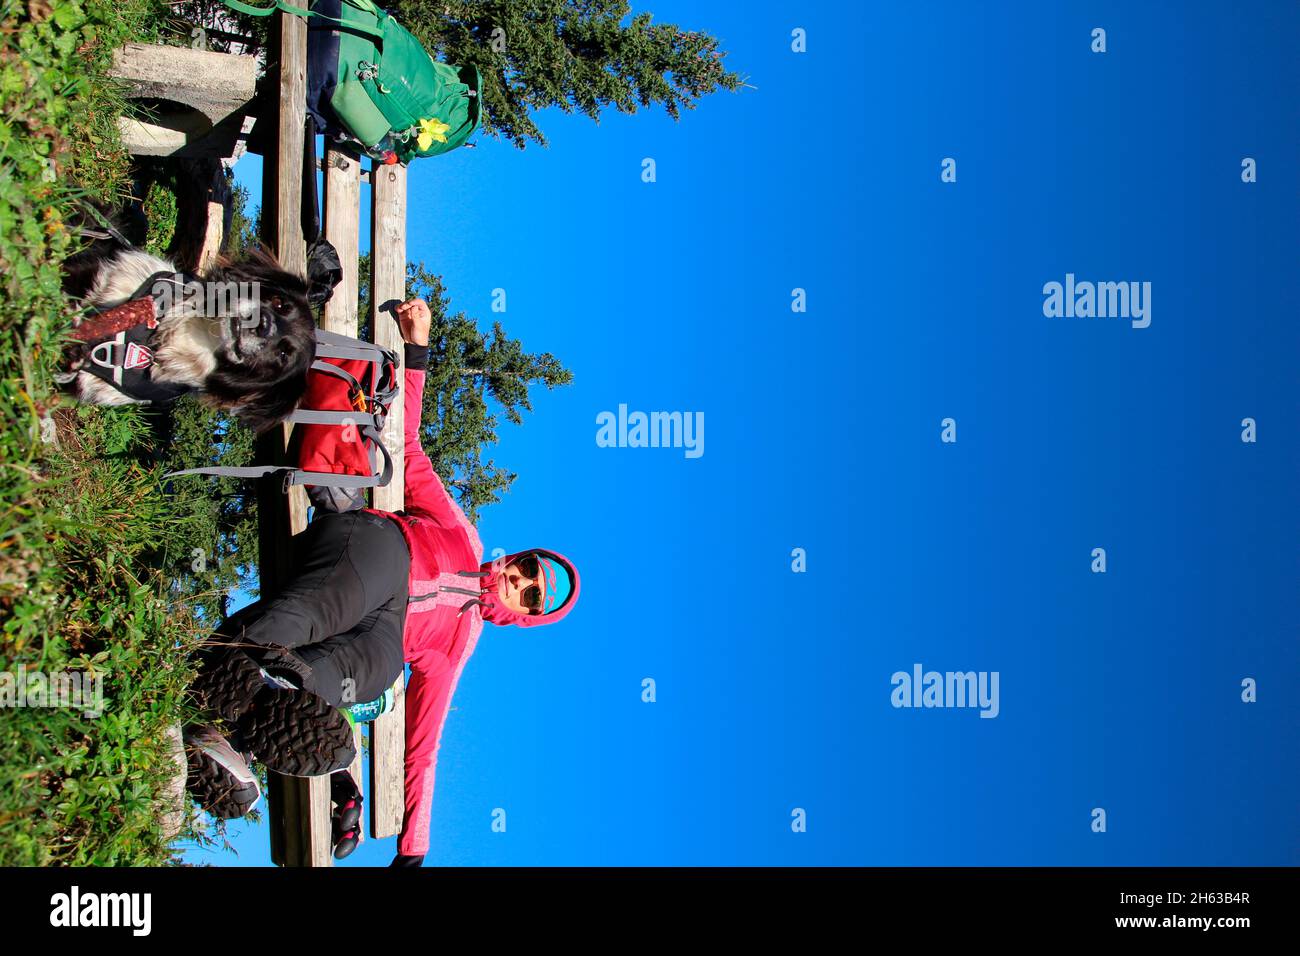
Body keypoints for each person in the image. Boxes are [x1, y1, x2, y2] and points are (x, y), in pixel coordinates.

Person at [184, 298, 580, 866]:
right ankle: (232, 656)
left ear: (526, 613)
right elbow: (410, 446)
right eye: (526, 565)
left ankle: (249, 713)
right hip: (374, 549)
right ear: (516, 556)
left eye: (531, 593)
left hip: (381, 630)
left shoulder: (456, 646)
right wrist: (417, 350)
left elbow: (424, 746)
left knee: (378, 668)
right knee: (343, 600)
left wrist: (414, 850)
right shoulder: (462, 535)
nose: (517, 578)